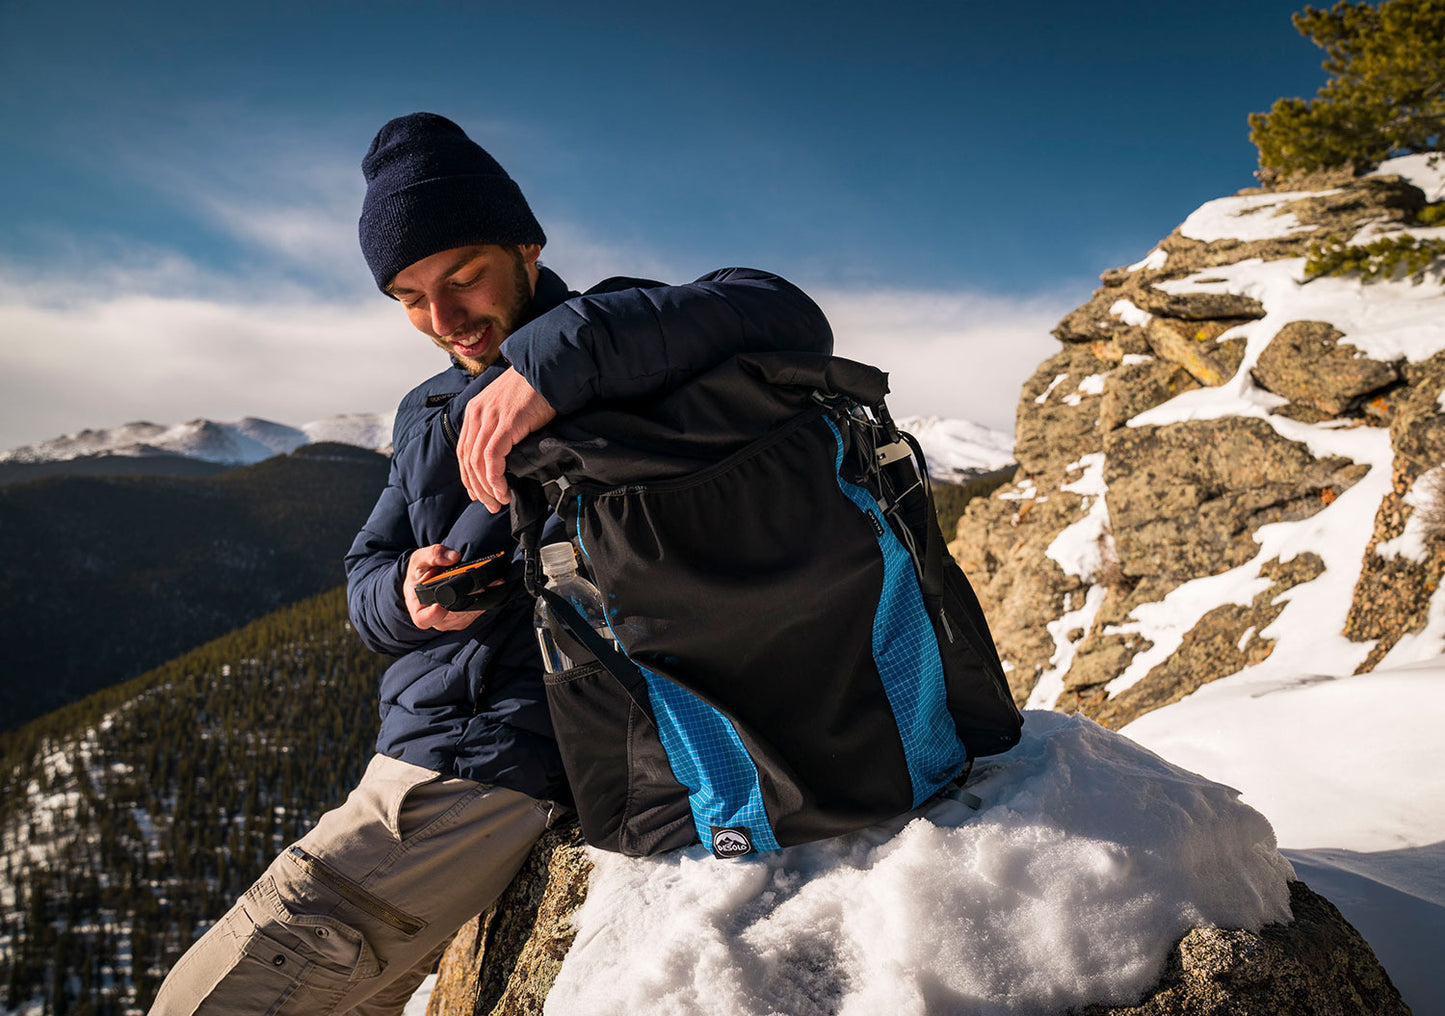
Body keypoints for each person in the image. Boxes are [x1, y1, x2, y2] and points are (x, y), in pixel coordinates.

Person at [149, 112, 833, 1015]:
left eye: (463, 277)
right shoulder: (424, 409)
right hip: (424, 748)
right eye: (408, 297)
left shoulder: (617, 334)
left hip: (497, 758)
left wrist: (547, 365)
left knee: (203, 1002)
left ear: (526, 246)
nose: (442, 319)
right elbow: (365, 572)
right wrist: (408, 597)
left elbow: (786, 312)